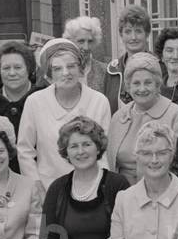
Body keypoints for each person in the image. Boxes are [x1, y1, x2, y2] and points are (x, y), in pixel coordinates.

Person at [17, 38, 111, 188]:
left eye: (71, 66)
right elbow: (25, 150)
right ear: (48, 75)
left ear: (80, 69)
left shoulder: (99, 101)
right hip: (48, 189)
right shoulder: (34, 102)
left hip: (92, 188)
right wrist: (37, 187)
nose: (65, 73)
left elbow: (104, 152)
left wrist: (101, 187)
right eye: (57, 69)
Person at [107, 52, 178, 183]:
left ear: (157, 84)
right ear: (128, 86)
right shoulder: (118, 117)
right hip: (120, 193)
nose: (142, 89)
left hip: (160, 191)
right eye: (136, 83)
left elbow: (177, 166)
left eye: (148, 83)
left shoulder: (177, 115)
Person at [103, 5, 152, 113]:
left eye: (138, 31)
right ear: (121, 34)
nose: (133, 37)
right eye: (128, 31)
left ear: (147, 34)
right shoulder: (112, 70)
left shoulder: (158, 67)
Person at [0, 41, 38, 134]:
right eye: (6, 68)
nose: (12, 73)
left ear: (29, 68)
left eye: (18, 67)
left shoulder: (44, 99)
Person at [63, 15, 107, 92]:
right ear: (70, 41)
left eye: (90, 41)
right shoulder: (60, 69)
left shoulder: (104, 70)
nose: (86, 47)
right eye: (81, 41)